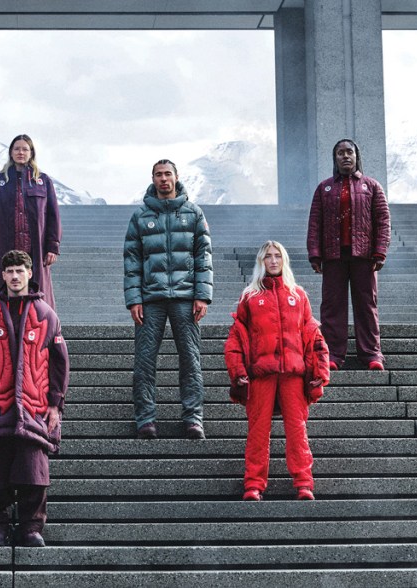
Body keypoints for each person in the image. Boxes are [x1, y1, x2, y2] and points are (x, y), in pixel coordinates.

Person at [0, 249, 69, 547]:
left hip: (35, 408)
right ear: (2, 275)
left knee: (34, 472)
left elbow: (60, 363)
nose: (14, 276)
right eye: (9, 271)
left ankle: (31, 527)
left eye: (19, 271)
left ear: (30, 273)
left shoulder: (47, 315)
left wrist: (56, 404)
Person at [224, 241, 330, 501]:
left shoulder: (299, 295)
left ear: (284, 260)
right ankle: (253, 485)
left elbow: (314, 336)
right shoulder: (250, 297)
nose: (273, 261)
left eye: (277, 256)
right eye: (268, 257)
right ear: (261, 262)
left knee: (297, 431)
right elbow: (236, 339)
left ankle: (304, 483)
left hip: (293, 375)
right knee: (258, 432)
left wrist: (320, 370)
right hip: (261, 375)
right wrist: (238, 371)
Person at [123, 159, 213, 440]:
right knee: (144, 361)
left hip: (186, 298)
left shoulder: (194, 213)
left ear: (176, 177)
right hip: (151, 299)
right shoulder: (140, 216)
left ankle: (193, 418)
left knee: (190, 360)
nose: (163, 179)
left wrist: (202, 296)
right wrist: (134, 299)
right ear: (153, 179)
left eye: (167, 174)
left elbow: (203, 257)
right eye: (158, 175)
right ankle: (145, 419)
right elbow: (132, 260)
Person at [307, 138, 391, 371]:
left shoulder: (372, 186)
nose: (345, 156)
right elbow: (315, 223)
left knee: (366, 305)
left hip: (364, 257)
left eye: (349, 152)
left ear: (356, 156)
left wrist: (380, 251)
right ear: (335, 159)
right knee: (332, 306)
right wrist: (315, 254)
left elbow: (383, 221)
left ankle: (372, 354)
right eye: (340, 153)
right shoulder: (324, 188)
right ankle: (332, 355)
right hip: (333, 256)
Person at [0, 134, 62, 309]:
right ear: (11, 152)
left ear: (31, 153)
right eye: (17, 149)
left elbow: (53, 215)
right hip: (5, 249)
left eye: (25, 149)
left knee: (38, 298)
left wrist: (53, 246)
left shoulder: (43, 181)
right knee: (3, 296)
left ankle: (38, 325)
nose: (21, 152)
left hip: (35, 250)